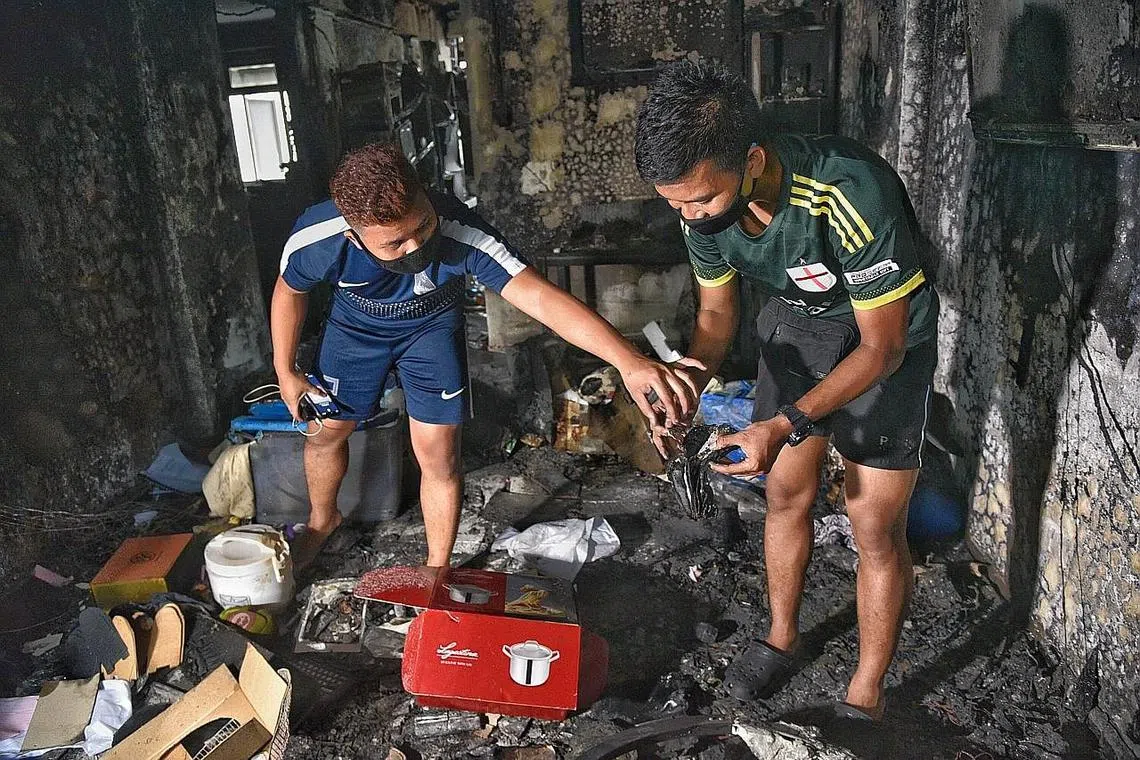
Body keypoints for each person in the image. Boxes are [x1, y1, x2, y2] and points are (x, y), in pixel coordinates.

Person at [635, 61, 940, 722]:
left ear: (751, 161)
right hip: (799, 326)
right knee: (785, 493)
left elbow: (881, 347)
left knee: (873, 523)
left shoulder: (846, 190)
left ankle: (866, 690)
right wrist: (685, 385)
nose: (688, 216)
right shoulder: (700, 210)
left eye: (701, 200)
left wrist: (783, 424)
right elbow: (717, 316)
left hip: (886, 339)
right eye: (675, 204)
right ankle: (782, 635)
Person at [271, 142, 699, 569]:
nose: (415, 247)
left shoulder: (461, 229)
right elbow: (289, 292)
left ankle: (437, 566)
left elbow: (540, 298)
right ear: (354, 236)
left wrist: (628, 360)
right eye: (395, 243)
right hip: (356, 332)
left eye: (423, 226)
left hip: (431, 330)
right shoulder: (318, 239)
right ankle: (323, 520)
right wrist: (285, 369)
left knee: (438, 454)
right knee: (327, 432)